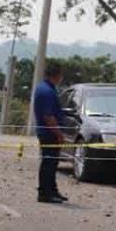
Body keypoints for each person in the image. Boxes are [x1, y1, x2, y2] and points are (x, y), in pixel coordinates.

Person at [33, 62, 68, 203]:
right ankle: (45, 192)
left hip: (48, 132)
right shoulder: (46, 91)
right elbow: (48, 116)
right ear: (57, 75)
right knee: (48, 163)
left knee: (52, 163)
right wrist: (59, 134)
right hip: (49, 133)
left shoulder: (46, 88)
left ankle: (52, 190)